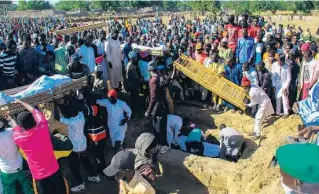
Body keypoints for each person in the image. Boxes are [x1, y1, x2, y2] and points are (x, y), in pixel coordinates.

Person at [11, 99, 68, 194]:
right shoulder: (43, 127)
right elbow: (34, 111)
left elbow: (15, 128)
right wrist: (21, 102)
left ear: (22, 127)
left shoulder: (19, 138)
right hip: (55, 171)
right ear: (34, 120)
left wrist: (10, 119)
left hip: (40, 178)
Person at [56, 100, 101, 192]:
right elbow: (77, 107)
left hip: (74, 147)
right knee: (85, 161)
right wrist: (69, 99)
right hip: (83, 144)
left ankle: (80, 184)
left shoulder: (71, 122)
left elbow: (58, 118)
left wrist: (56, 106)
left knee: (74, 166)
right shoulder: (81, 116)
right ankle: (95, 176)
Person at [0, 119, 33, 194]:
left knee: (8, 190)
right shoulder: (11, 131)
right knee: (27, 186)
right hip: (19, 166)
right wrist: (10, 119)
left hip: (6, 171)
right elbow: (18, 128)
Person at [126, 51, 143, 117]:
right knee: (135, 99)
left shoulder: (130, 64)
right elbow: (136, 77)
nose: (136, 58)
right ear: (132, 58)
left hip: (131, 84)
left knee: (133, 99)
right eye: (135, 58)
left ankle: (133, 113)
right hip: (133, 85)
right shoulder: (131, 66)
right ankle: (134, 114)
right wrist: (141, 79)